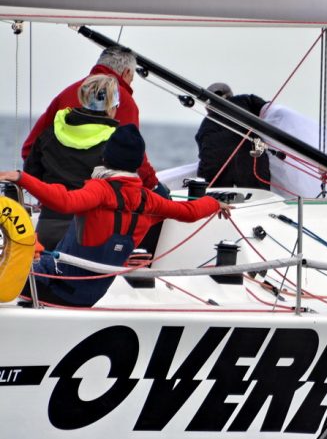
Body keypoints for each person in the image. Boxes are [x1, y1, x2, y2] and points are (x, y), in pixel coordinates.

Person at [0, 125, 230, 307]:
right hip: (89, 297)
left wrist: (22, 178)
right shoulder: (148, 200)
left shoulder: (100, 190)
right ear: (137, 164)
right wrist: (214, 203)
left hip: (51, 285)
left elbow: (64, 201)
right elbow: (189, 212)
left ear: (105, 158)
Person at [21, 45, 164, 193]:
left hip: (54, 197)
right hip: (95, 199)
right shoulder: (124, 100)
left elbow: (29, 149)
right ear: (127, 72)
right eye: (131, 79)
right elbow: (134, 158)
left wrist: (49, 191)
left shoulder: (65, 96)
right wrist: (154, 186)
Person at [23, 74, 121, 249]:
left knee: (44, 267)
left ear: (83, 99)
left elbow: (31, 173)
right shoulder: (116, 142)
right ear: (111, 107)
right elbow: (123, 189)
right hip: (88, 231)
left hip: (48, 226)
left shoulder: (52, 132)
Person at [195, 83, 272, 189]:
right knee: (259, 194)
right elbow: (271, 111)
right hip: (250, 165)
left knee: (216, 196)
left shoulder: (204, 127)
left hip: (215, 175)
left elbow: (204, 155)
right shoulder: (246, 100)